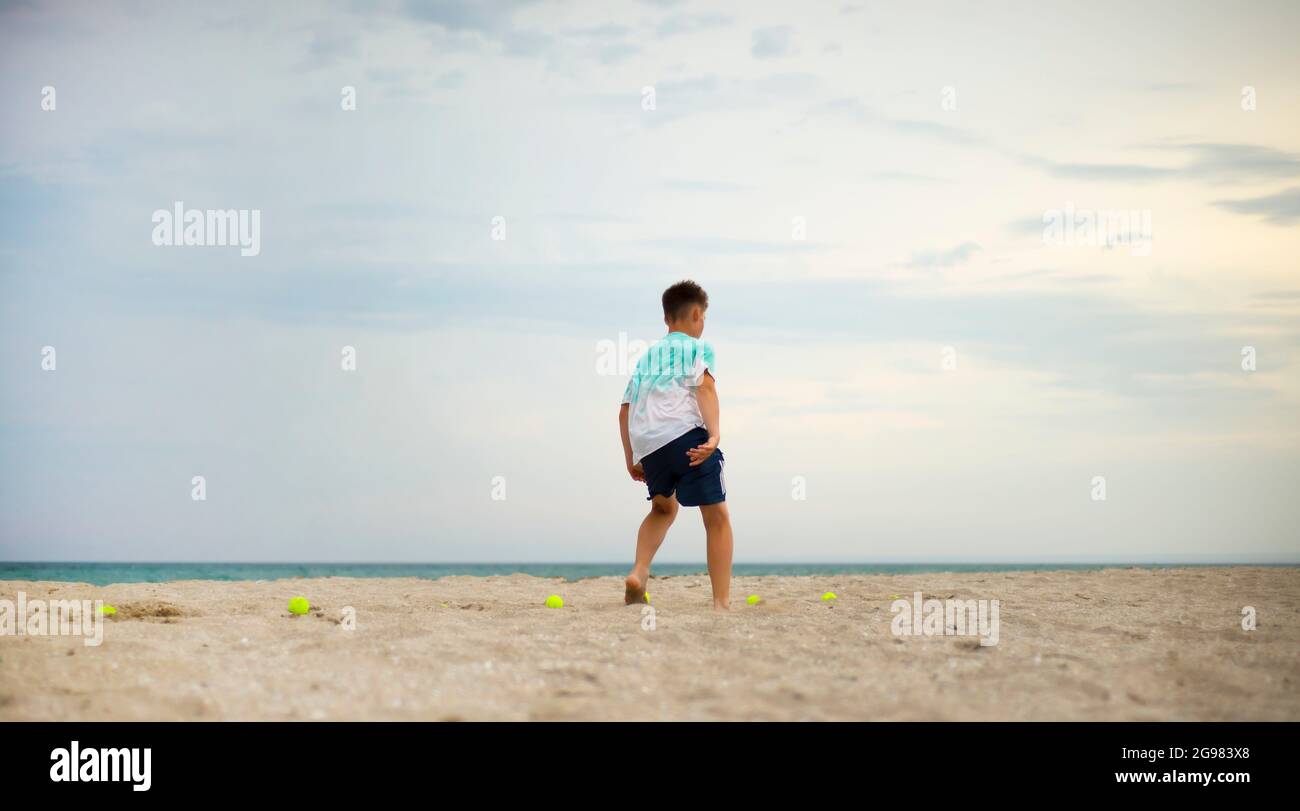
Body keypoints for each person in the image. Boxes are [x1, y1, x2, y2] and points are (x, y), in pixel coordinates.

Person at [619, 280, 732, 610]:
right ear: (697, 314)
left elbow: (625, 408)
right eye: (704, 317)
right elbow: (705, 388)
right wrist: (714, 435)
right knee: (717, 518)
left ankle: (639, 572)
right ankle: (721, 603)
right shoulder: (699, 348)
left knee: (663, 509)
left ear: (667, 318)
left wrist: (631, 458)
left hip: (649, 446)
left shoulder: (646, 358)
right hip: (685, 437)